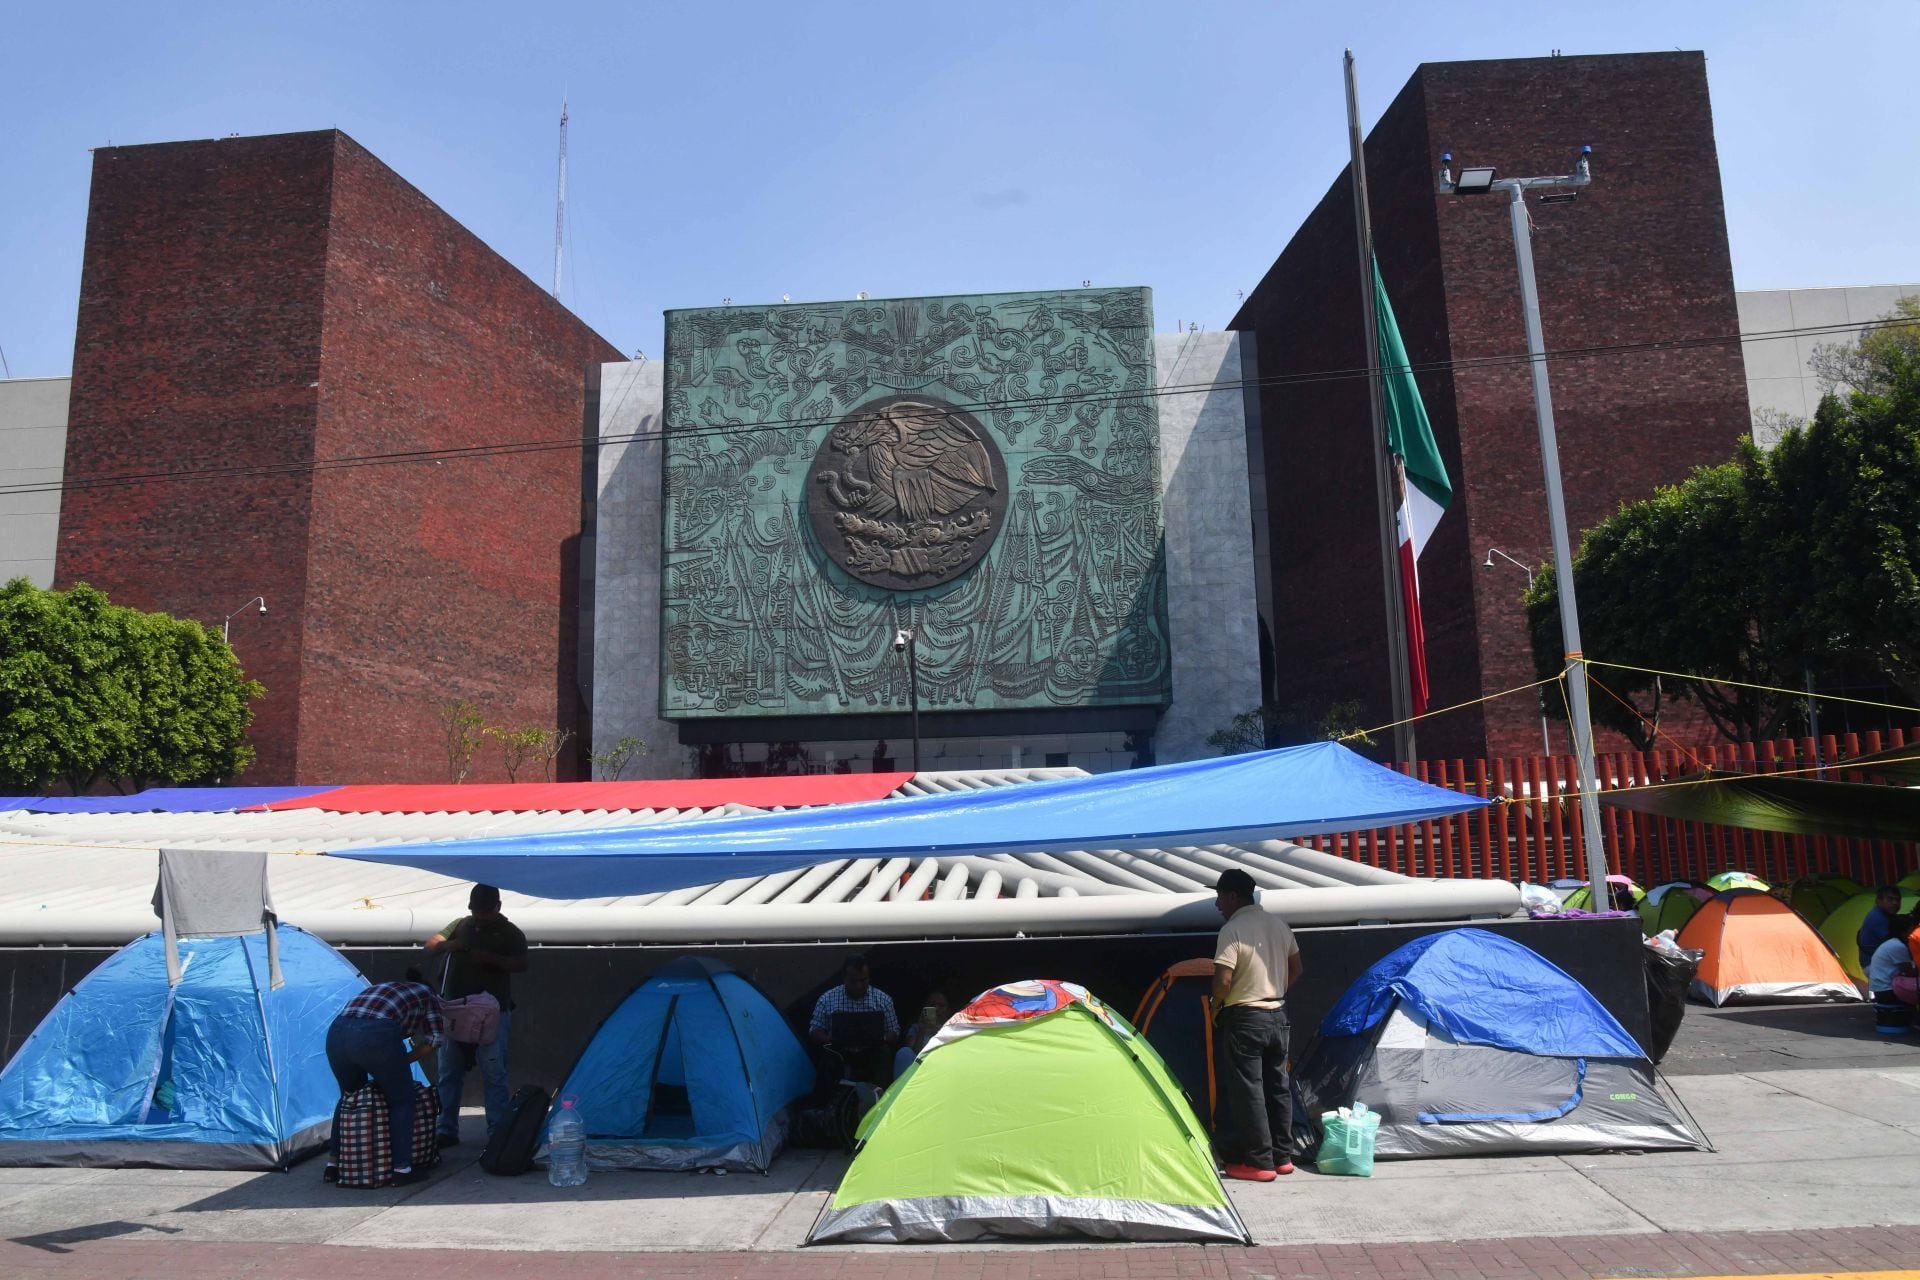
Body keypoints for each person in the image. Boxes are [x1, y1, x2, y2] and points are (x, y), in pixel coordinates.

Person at [1211, 868, 1302, 1182]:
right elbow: (1296, 967)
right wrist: (1275, 991)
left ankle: (1258, 1162)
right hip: (1278, 1013)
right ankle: (1283, 1157)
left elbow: (1223, 979)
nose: (1217, 904)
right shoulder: (1278, 925)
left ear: (1233, 896)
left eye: (1220, 897)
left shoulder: (1232, 930)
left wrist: (1214, 1007)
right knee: (1278, 1088)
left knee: (1248, 1090)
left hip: (1246, 1017)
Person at [424, 884, 527, 1147]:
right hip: (455, 1009)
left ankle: (496, 1130)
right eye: (475, 912)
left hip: (492, 1013)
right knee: (448, 1070)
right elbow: (431, 945)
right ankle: (446, 1127)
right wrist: (452, 945)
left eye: (485, 913)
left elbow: (521, 964)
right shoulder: (460, 924)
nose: (479, 918)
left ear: (498, 908)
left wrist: (490, 959)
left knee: (494, 1071)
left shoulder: (510, 932)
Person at [324, 973, 443, 1185]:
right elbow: (434, 1039)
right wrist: (400, 1062)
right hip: (375, 1035)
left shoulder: (385, 986)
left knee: (350, 1097)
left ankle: (333, 1165)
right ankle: (402, 1169)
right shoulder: (429, 995)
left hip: (338, 1032)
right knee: (402, 1100)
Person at [809, 955, 899, 1087]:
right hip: (839, 1052)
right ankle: (828, 1103)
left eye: (863, 980)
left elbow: (894, 1031)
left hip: (872, 1052)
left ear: (869, 977)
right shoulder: (827, 999)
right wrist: (830, 1039)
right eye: (853, 981)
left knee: (884, 1052)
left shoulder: (883, 1000)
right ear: (844, 978)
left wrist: (881, 1039)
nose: (858, 986)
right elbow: (814, 1030)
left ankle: (880, 1098)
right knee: (827, 1055)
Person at [1866, 917, 1918, 1034]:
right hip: (1887, 990)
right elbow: (1909, 972)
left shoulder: (1891, 943)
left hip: (1880, 988)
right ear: (1904, 932)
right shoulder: (1898, 946)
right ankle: (1915, 1018)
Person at [893, 989, 951, 1080]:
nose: (937, 1009)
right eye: (933, 1005)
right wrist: (922, 1031)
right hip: (919, 1069)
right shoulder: (917, 1028)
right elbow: (913, 1054)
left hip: (943, 1067)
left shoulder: (954, 1028)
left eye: (941, 1006)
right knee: (904, 1052)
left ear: (948, 1010)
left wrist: (938, 1029)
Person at [1858, 886, 1905, 972]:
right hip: (1873, 964)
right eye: (1890, 899)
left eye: (1897, 900)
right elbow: (1894, 944)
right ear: (1879, 901)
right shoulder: (1877, 917)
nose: (1895, 903)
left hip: (1878, 962)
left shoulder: (1887, 915)